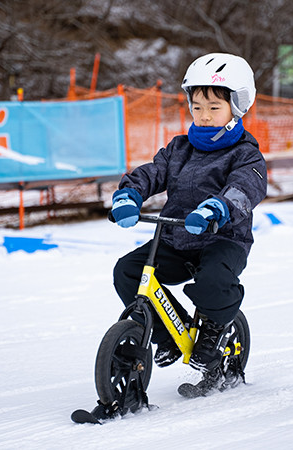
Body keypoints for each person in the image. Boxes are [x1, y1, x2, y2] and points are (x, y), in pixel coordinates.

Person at [110, 53, 267, 378]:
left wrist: (218, 208)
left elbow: (245, 188)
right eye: (197, 107)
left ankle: (213, 328)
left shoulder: (245, 154)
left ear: (236, 107)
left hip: (224, 240)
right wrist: (129, 194)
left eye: (214, 108)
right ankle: (166, 336)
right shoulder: (179, 149)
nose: (204, 115)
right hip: (177, 238)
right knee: (128, 271)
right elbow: (153, 172)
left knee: (212, 281)